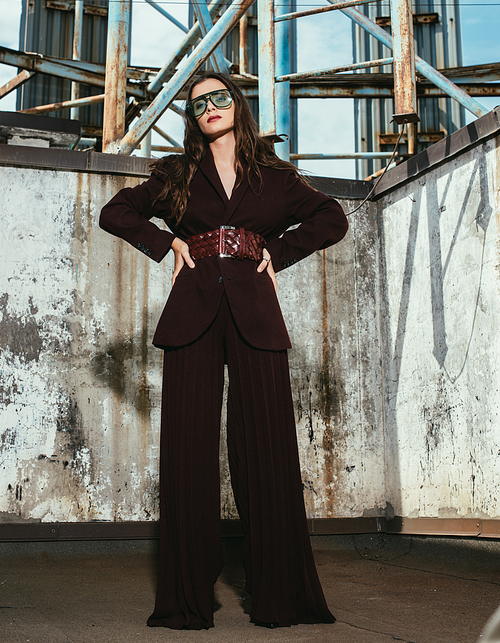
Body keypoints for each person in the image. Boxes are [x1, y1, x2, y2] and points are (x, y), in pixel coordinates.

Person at [99, 71, 348, 630]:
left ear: (236, 104)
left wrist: (277, 254)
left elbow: (331, 217)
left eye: (218, 98)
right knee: (188, 452)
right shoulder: (178, 173)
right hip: (193, 315)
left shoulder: (276, 178)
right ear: (192, 117)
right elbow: (116, 212)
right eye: (197, 103)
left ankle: (279, 597)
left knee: (267, 452)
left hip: (256, 315)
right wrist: (169, 243)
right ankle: (187, 600)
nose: (209, 107)